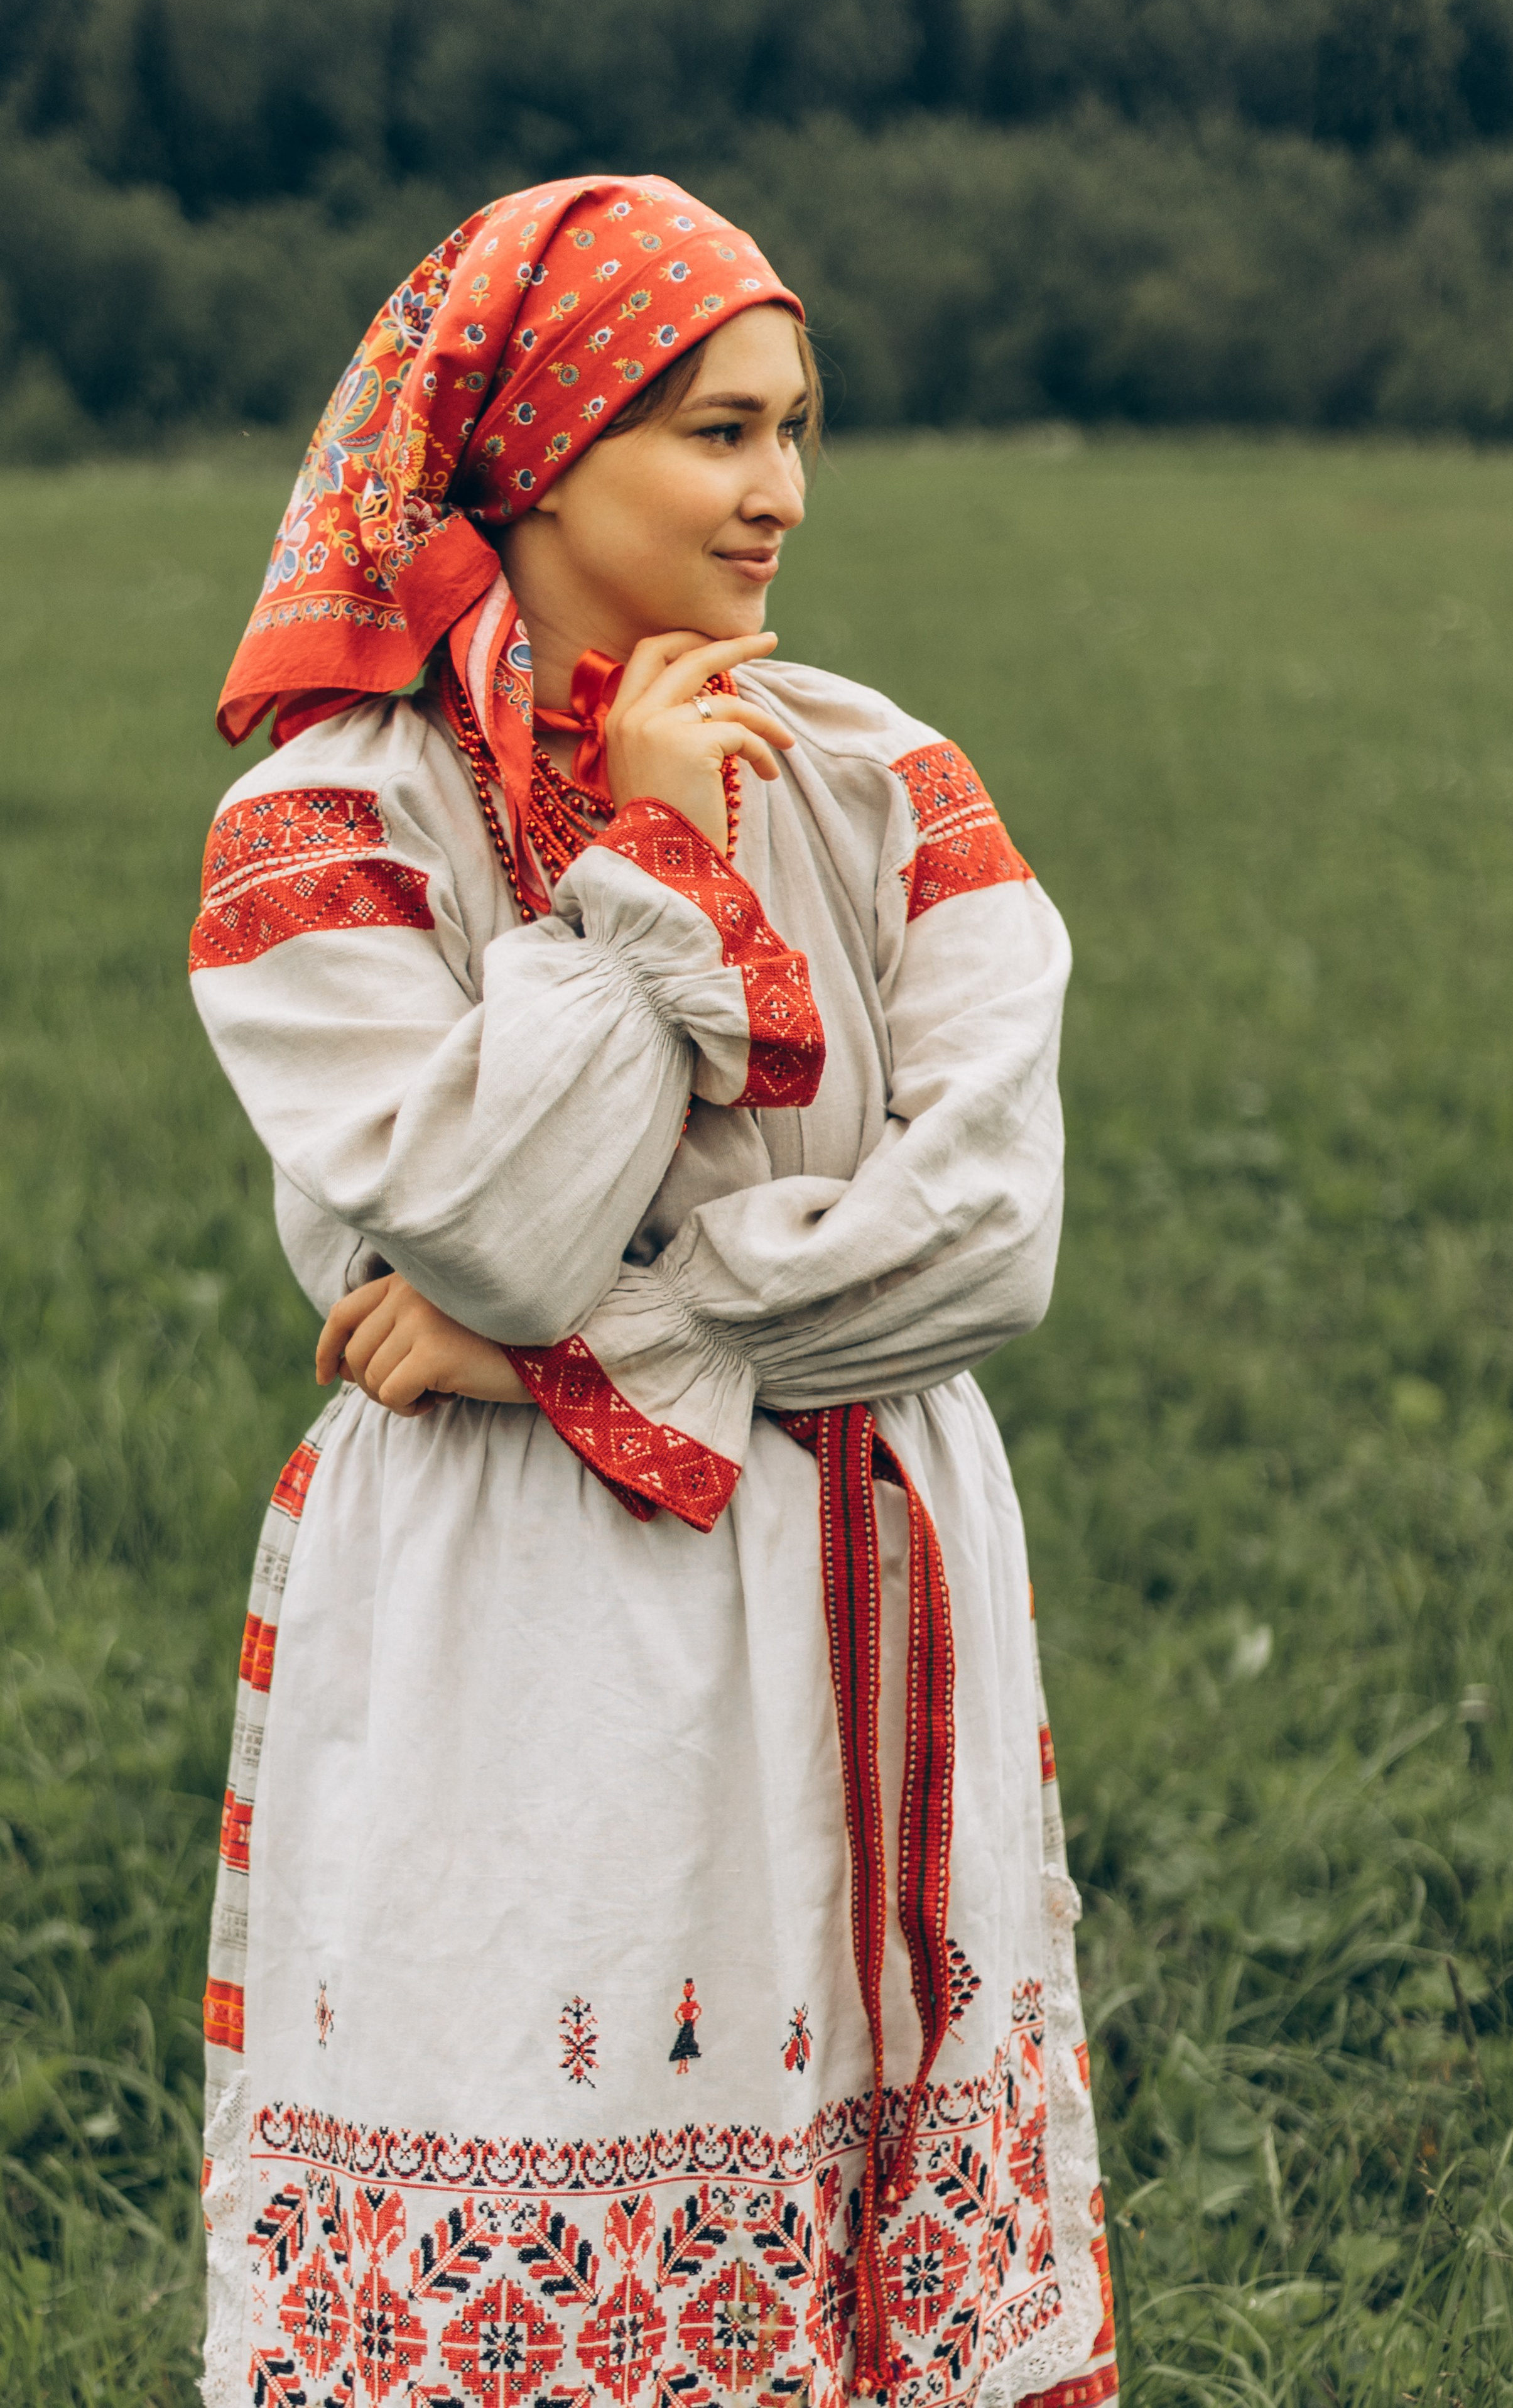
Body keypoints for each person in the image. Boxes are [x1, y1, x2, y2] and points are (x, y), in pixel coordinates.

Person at [190, 172, 1118, 2408]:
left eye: (798, 425)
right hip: (509, 1614)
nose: (779, 490)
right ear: (535, 448)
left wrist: (595, 1350)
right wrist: (643, 870)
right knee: (539, 2134)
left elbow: (990, 1229)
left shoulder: (891, 777)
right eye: (713, 430)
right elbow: (481, 1221)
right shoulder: (336, 825)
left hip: (854, 1552)